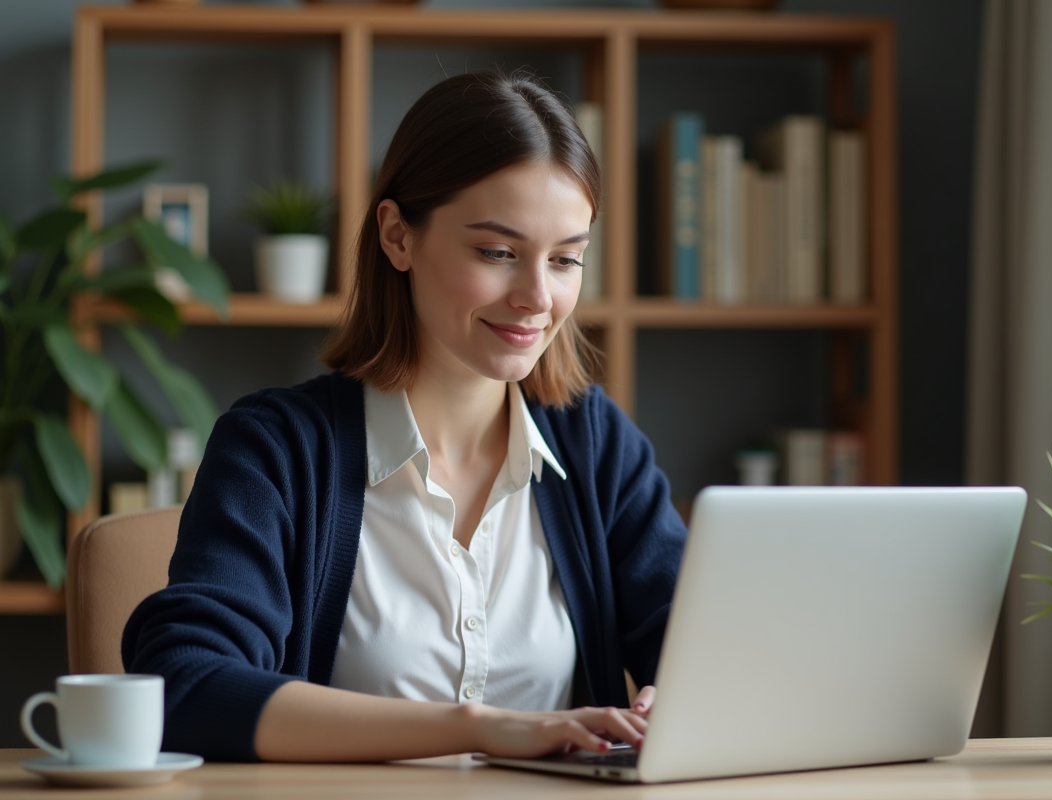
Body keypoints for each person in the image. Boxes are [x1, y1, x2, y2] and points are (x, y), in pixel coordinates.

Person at [122, 70, 688, 763]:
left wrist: (687, 692)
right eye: (498, 253)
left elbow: (697, 643)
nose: (538, 297)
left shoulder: (595, 443)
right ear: (397, 236)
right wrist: (480, 728)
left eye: (566, 260)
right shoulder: (276, 449)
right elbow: (183, 688)